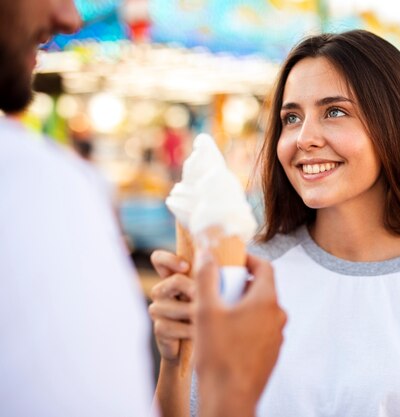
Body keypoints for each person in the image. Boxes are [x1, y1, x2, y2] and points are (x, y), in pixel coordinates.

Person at [150, 30, 400, 416]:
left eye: (334, 111)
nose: (304, 137)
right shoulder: (248, 273)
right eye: (291, 117)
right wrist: (175, 360)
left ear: (393, 126)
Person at [0, 1, 285, 416]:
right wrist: (232, 390)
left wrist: (178, 361)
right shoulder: (37, 189)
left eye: (334, 112)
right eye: (289, 117)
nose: (69, 18)